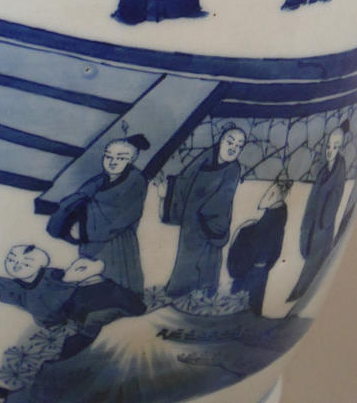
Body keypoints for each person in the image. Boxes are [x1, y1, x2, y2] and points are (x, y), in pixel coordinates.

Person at [46, 135, 150, 295]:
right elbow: (75, 201)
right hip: (90, 239)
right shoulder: (98, 181)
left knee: (116, 283)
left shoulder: (136, 181)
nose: (113, 162)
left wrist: (82, 215)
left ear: (131, 160)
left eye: (121, 158)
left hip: (117, 240)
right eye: (108, 156)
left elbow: (121, 214)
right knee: (87, 279)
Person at [157, 126, 246, 300]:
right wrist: (169, 190)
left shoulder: (233, 169)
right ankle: (179, 292)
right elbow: (185, 180)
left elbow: (223, 199)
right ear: (221, 141)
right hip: (191, 221)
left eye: (239, 146)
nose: (233, 148)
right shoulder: (205, 158)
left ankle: (206, 294)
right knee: (186, 258)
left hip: (210, 223)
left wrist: (206, 217)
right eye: (230, 142)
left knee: (208, 260)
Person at [288, 124, 349, 301]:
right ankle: (297, 296)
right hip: (314, 225)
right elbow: (312, 201)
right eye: (328, 146)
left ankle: (299, 296)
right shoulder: (323, 172)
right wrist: (306, 226)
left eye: (335, 147)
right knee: (310, 261)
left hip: (323, 227)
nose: (330, 151)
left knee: (315, 264)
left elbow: (336, 196)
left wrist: (324, 221)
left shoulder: (339, 170)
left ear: (341, 149)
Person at [54, 257, 146, 360]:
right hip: (112, 330)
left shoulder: (86, 292)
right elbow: (139, 307)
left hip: (103, 332)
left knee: (73, 345)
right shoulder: (110, 286)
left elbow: (70, 312)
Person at [0, 245, 72, 330]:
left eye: (26, 264)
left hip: (68, 301)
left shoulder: (48, 275)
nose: (16, 266)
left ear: (41, 266)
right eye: (11, 260)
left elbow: (69, 274)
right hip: (48, 317)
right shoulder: (14, 287)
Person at [226, 178, 290, 315]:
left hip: (252, 270)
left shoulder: (272, 221)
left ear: (273, 195)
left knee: (243, 306)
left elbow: (259, 247)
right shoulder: (277, 218)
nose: (265, 195)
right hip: (258, 269)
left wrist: (244, 231)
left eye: (269, 193)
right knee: (249, 307)